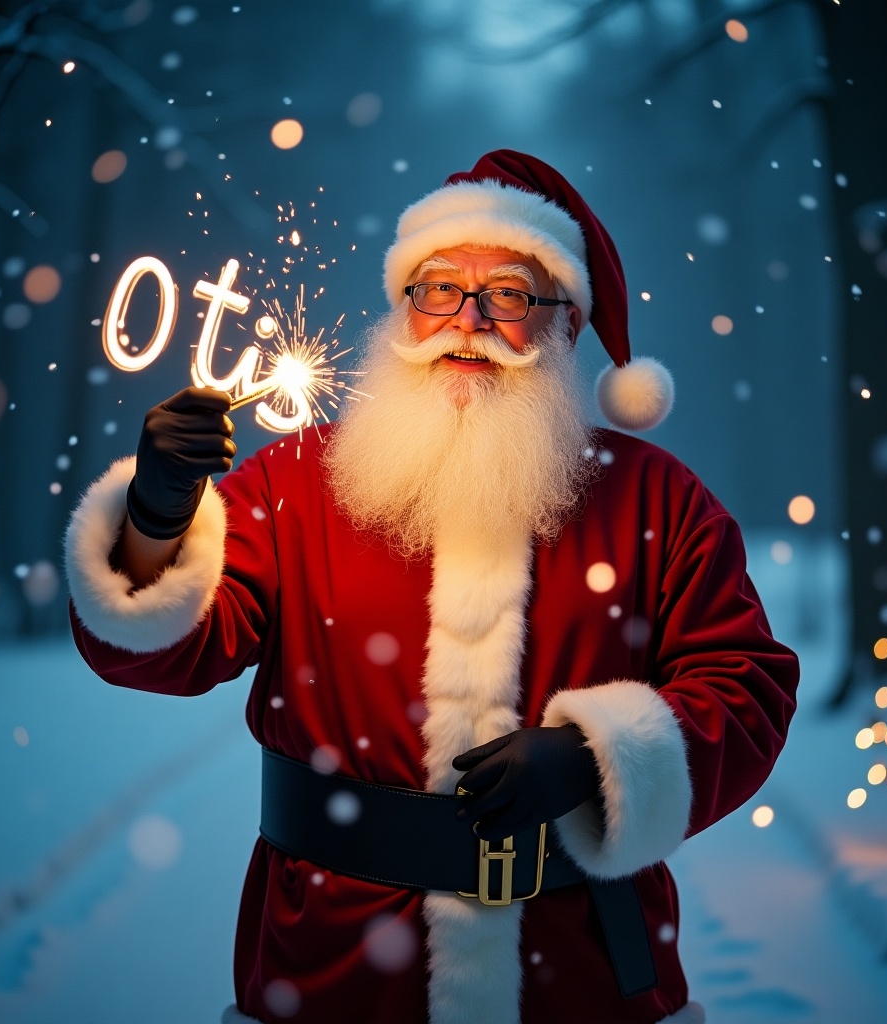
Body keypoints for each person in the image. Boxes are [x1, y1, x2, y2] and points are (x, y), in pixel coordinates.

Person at [65, 150, 798, 1024]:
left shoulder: (656, 498)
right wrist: (153, 516)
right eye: (439, 289)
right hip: (333, 961)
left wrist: (593, 759)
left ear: (565, 325)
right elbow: (156, 653)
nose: (469, 321)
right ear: (402, 314)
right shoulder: (299, 480)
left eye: (512, 296)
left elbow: (747, 685)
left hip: (580, 966)